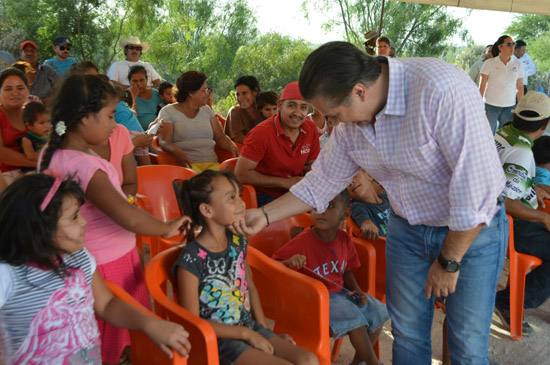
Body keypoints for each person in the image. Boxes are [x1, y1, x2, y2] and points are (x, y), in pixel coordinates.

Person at [231, 41, 508, 364]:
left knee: (467, 342)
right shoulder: (350, 121)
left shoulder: (440, 89)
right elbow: (321, 182)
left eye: (333, 115)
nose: (332, 126)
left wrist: (449, 261)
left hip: (471, 231)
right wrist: (263, 216)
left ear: (360, 92)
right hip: (407, 228)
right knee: (407, 332)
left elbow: (477, 189)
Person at [38, 74, 190, 364]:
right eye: (109, 116)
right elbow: (127, 217)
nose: (113, 124)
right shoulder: (86, 166)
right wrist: (165, 226)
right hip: (107, 264)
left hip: (81, 259)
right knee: (113, 340)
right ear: (84, 117)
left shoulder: (52, 152)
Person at [0, 173, 191, 364]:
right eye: (74, 217)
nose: (84, 222)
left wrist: (150, 323)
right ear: (39, 229)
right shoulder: (7, 275)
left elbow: (106, 304)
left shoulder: (79, 257)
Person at [173, 169, 318, 365]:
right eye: (231, 197)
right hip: (218, 341)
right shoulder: (191, 258)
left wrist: (265, 332)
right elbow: (192, 321)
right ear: (207, 210)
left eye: (239, 195)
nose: (241, 203)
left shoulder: (237, 242)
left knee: (308, 360)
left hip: (249, 328)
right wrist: (246, 334)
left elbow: (249, 287)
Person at [273, 189, 388, 365]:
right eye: (317, 206)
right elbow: (274, 266)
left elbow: (347, 270)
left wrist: (356, 289)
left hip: (342, 295)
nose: (322, 211)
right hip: (316, 300)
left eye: (331, 206)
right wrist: (289, 262)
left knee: (379, 312)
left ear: (345, 214)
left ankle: (359, 363)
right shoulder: (302, 241)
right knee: (356, 320)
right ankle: (373, 362)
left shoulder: (344, 239)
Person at [493, 91, 550, 334]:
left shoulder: (503, 133)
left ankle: (514, 299)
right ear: (545, 125)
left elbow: (508, 181)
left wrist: (531, 187)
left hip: (509, 218)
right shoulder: (523, 152)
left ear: (515, 115)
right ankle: (509, 302)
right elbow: (505, 201)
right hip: (510, 224)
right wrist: (543, 217)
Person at [234, 81, 320, 207]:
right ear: (280, 105)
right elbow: (241, 174)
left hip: (296, 192)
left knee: (334, 207)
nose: (297, 113)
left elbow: (311, 164)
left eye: (303, 107)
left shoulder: (310, 129)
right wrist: (285, 182)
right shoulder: (261, 133)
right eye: (291, 105)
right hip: (263, 195)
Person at [158, 71, 239, 173]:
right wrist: (177, 151)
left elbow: (220, 136)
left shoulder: (207, 110)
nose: (207, 94)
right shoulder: (168, 112)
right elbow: (164, 141)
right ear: (191, 93)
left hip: (212, 164)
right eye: (204, 90)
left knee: (230, 182)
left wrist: (231, 146)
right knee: (207, 185)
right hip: (186, 166)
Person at [480, 35, 524, 134]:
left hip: (509, 107)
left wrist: (521, 106)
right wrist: (479, 105)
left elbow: (520, 87)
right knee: (488, 135)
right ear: (500, 47)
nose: (512, 47)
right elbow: (482, 85)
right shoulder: (489, 63)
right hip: (490, 106)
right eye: (509, 44)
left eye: (513, 44)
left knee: (504, 136)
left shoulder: (518, 64)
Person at [0, 68, 36, 183]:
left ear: (28, 90)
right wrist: (37, 162)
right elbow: (1, 153)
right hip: (5, 175)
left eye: (20, 88)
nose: (15, 93)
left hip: (35, 170)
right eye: (8, 89)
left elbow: (56, 128)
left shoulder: (34, 114)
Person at [114, 87, 153, 166]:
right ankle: (148, 173)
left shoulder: (112, 106)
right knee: (145, 164)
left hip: (125, 133)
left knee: (127, 161)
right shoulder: (127, 108)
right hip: (140, 133)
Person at [348, 170, 391, 240]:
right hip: (385, 248)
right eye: (345, 183)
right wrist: (367, 224)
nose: (351, 182)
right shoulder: (356, 207)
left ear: (369, 176)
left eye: (354, 176)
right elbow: (362, 218)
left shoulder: (388, 197)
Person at [19, 40, 60, 105]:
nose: (30, 53)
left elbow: (60, 88)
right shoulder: (14, 72)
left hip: (45, 110)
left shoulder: (47, 70)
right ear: (20, 54)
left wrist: (45, 101)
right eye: (26, 51)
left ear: (37, 54)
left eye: (33, 50)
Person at [224, 75, 261, 143]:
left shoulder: (265, 109)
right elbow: (240, 139)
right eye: (238, 94)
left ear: (255, 92)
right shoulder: (235, 112)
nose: (240, 98)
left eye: (244, 93)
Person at [20, 101, 51, 172]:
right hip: (32, 171)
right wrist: (50, 155)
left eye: (49, 121)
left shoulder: (49, 136)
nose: (47, 126)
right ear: (29, 126)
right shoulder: (27, 139)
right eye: (42, 123)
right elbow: (30, 155)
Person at [128, 65, 162, 129]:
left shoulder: (155, 93)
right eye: (134, 81)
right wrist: (134, 97)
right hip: (136, 133)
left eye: (141, 80)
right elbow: (130, 118)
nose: (139, 84)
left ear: (146, 80)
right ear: (129, 82)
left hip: (156, 130)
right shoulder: (125, 96)